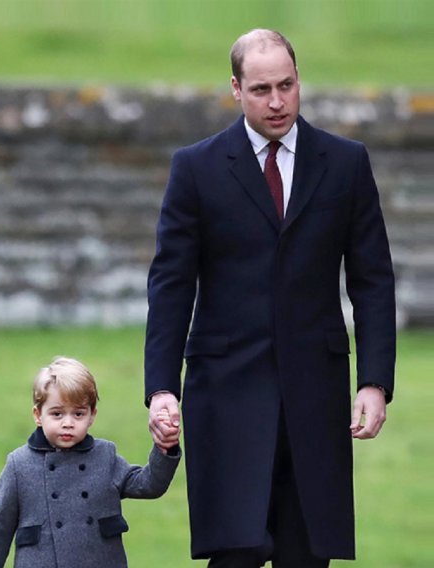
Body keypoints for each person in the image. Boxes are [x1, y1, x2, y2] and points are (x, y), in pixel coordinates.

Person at [144, 29, 396, 567]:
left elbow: (372, 279)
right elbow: (171, 283)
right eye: (261, 89)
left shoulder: (346, 163)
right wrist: (161, 388)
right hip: (226, 393)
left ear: (300, 80)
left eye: (287, 85)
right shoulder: (196, 168)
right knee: (236, 552)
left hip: (316, 396)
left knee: (306, 555)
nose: (277, 101)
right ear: (235, 89)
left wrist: (374, 382)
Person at [0, 356, 182, 568]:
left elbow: (149, 485)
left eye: (78, 414)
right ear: (38, 415)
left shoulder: (105, 456)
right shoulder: (19, 465)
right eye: (57, 414)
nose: (68, 423)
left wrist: (165, 447)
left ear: (92, 416)